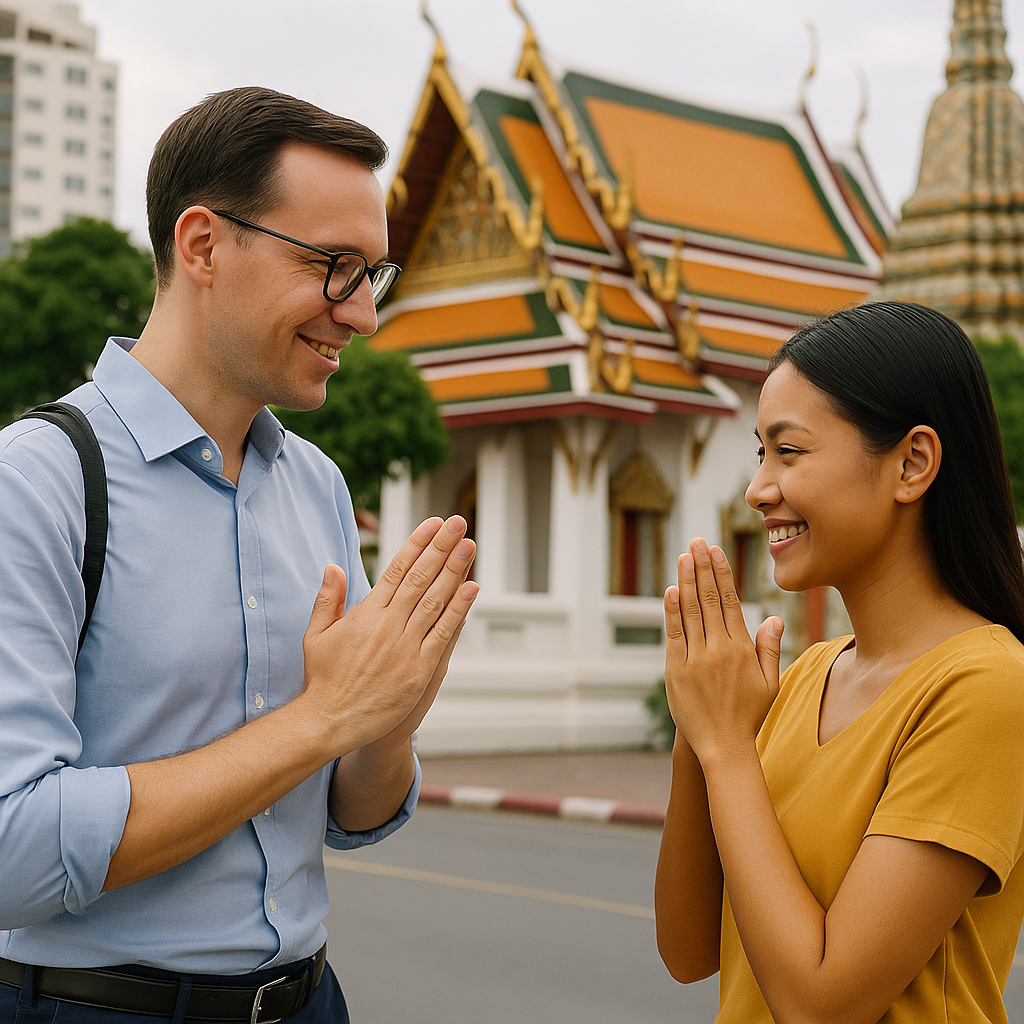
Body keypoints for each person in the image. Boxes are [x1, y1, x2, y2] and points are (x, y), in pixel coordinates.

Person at [0, 86, 478, 1023]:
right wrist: (322, 717)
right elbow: (13, 852)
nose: (364, 316)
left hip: (307, 999)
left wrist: (387, 716)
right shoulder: (39, 483)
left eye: (372, 275)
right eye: (335, 267)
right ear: (204, 245)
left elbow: (354, 813)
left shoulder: (319, 488)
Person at [654, 301, 1024, 1023]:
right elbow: (688, 950)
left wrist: (728, 747)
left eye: (789, 452)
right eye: (761, 454)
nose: (760, 490)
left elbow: (821, 1003)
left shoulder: (986, 686)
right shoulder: (803, 678)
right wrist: (697, 730)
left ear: (911, 463)